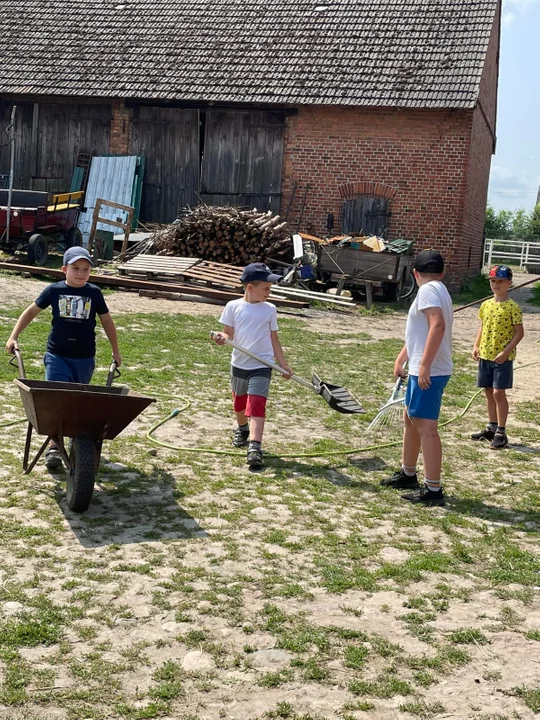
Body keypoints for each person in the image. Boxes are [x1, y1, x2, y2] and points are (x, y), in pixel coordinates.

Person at [6, 247, 122, 469]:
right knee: (57, 401)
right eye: (75, 268)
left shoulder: (94, 293)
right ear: (64, 269)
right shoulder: (54, 290)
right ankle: (53, 446)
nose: (81, 273)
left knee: (76, 403)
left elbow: (107, 322)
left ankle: (76, 441)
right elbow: (30, 312)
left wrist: (115, 350)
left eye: (86, 269)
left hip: (84, 358)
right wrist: (13, 337)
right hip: (57, 355)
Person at [381, 249, 453, 506]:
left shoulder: (427, 291)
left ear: (414, 273)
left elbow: (438, 325)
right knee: (410, 419)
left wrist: (424, 366)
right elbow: (420, 332)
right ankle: (408, 473)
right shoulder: (439, 289)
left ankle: (433, 490)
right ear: (442, 272)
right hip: (420, 367)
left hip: (429, 371)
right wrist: (403, 358)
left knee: (426, 427)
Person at [212, 262, 292, 468]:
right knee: (239, 404)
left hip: (262, 365)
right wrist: (221, 337)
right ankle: (242, 428)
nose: (269, 292)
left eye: (270, 288)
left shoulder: (270, 310)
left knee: (256, 404)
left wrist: (283, 364)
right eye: (266, 288)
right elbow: (228, 333)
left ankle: (255, 446)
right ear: (250, 288)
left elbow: (274, 339)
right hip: (239, 364)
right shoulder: (233, 306)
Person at [471, 264, 524, 449]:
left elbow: (519, 333)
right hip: (485, 355)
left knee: (498, 393)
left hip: (502, 358)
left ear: (509, 283)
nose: (496, 284)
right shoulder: (486, 305)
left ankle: (502, 431)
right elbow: (482, 326)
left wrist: (506, 352)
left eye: (500, 281)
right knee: (487, 391)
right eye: (493, 281)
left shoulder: (513, 307)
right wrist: (476, 345)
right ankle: (491, 427)